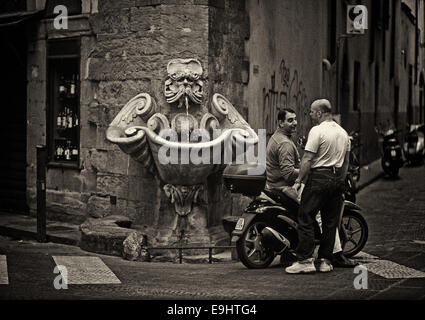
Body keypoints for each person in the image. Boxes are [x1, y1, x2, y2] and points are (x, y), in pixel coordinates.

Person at [266, 108, 356, 268]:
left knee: (311, 215)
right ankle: (332, 254)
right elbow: (289, 172)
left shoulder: (277, 138)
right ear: (280, 122)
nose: (295, 123)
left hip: (278, 184)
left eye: (295, 119)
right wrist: (304, 175)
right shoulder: (286, 143)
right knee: (322, 217)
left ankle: (299, 254)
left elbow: (300, 160)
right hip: (287, 186)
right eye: (290, 120)